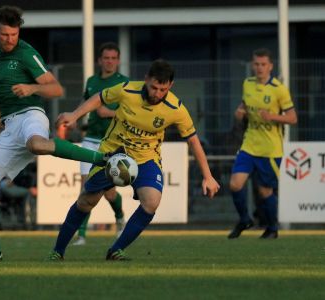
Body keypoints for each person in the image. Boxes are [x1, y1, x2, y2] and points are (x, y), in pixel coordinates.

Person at [0, 6, 113, 263]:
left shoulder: (26, 53)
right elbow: (2, 89)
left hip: (30, 116)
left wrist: (31, 87)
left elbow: (56, 89)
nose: (10, 39)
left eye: (14, 34)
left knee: (37, 144)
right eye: (5, 34)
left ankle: (102, 159)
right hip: (9, 125)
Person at [48, 59, 220, 261]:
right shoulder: (128, 90)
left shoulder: (176, 108)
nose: (157, 93)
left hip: (146, 160)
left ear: (170, 86)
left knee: (152, 202)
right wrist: (75, 114)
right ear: (146, 79)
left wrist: (208, 176)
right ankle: (58, 251)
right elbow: (100, 97)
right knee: (87, 201)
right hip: (112, 154)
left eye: (162, 89)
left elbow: (193, 141)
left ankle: (116, 250)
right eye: (154, 87)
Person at [228, 48, 297, 239]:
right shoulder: (247, 84)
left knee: (265, 190)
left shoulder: (278, 89)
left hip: (270, 149)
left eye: (263, 64)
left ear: (270, 66)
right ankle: (244, 219)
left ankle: (273, 229)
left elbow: (292, 118)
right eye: (256, 64)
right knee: (235, 184)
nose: (259, 68)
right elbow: (244, 106)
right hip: (249, 144)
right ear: (252, 65)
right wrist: (239, 113)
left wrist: (272, 116)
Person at [72, 42, 129, 246]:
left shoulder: (125, 83)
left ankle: (120, 219)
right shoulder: (92, 81)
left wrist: (110, 113)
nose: (110, 62)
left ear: (118, 60)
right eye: (106, 58)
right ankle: (81, 235)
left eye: (114, 58)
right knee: (86, 188)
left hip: (112, 144)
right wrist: (75, 118)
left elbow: (132, 114)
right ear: (100, 60)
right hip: (90, 141)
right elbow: (86, 103)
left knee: (109, 192)